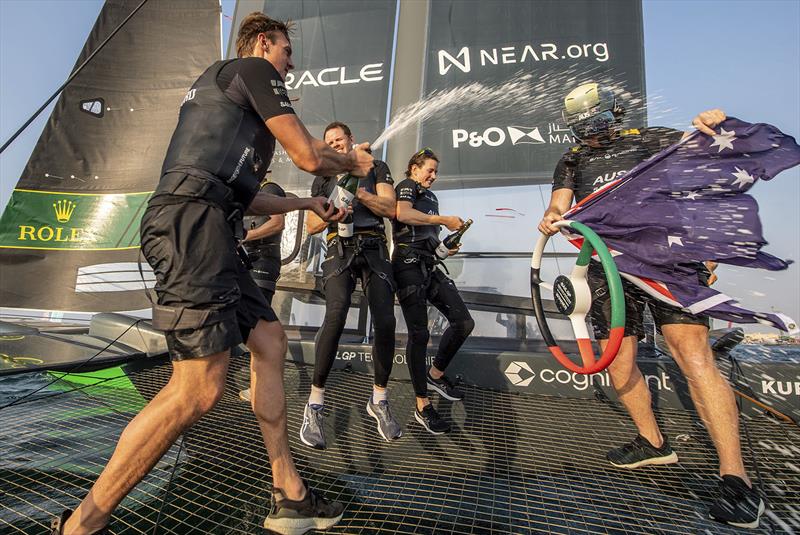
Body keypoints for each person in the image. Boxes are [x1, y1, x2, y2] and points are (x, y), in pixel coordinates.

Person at [53, 12, 373, 535]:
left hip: (213, 225)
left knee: (268, 339)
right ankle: (81, 527)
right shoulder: (250, 67)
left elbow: (251, 196)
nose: (291, 66)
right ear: (265, 42)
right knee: (199, 389)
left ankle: (289, 495)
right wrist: (351, 164)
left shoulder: (235, 108)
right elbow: (309, 154)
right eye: (288, 53)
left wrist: (307, 201)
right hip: (191, 222)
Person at [537, 82, 763, 529]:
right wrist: (550, 218)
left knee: (693, 357)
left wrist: (714, 126)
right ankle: (653, 441)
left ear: (613, 115)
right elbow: (559, 203)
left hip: (667, 259)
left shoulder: (653, 138)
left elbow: (710, 158)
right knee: (617, 363)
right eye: (583, 125)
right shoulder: (573, 158)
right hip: (605, 265)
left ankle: (736, 478)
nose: (591, 131)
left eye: (596, 122)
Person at [299, 121, 400, 449]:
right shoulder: (323, 177)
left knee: (385, 321)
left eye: (340, 140)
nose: (336, 145)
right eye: (329, 142)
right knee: (337, 312)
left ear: (351, 140)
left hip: (373, 247)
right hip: (339, 250)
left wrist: (360, 190)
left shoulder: (376, 166)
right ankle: (314, 404)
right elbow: (312, 224)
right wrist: (336, 205)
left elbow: (391, 208)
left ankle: (379, 400)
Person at [392, 148, 474, 434]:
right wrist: (443, 220)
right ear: (414, 168)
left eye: (436, 171)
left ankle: (435, 374)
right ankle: (422, 405)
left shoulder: (432, 197)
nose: (433, 176)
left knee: (464, 322)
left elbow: (431, 242)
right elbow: (402, 213)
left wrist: (445, 248)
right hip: (406, 266)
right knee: (420, 334)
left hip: (429, 266)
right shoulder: (405, 187)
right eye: (429, 170)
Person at [239, 175, 286, 402]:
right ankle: (256, 384)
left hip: (264, 262)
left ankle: (260, 387)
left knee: (259, 325)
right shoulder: (243, 194)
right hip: (245, 262)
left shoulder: (271, 189)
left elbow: (278, 223)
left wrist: (245, 237)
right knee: (251, 326)